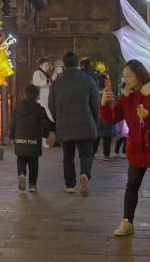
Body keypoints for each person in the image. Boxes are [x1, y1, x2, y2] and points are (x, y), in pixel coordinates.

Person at [99, 59, 150, 236]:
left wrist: (149, 116)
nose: (126, 80)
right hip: (137, 149)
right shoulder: (127, 99)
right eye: (124, 76)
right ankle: (127, 221)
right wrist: (103, 103)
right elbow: (112, 118)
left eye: (129, 76)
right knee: (132, 185)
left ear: (139, 75)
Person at [48, 52, 101, 197]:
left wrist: (58, 118)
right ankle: (84, 174)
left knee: (68, 156)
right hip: (85, 122)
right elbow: (96, 103)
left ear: (64, 65)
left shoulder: (57, 83)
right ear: (78, 64)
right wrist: (94, 121)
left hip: (65, 125)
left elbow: (51, 104)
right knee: (86, 154)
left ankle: (70, 185)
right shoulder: (88, 80)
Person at [10, 84, 54, 192]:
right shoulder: (39, 109)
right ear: (37, 96)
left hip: (20, 139)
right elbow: (47, 124)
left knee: (21, 159)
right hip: (34, 140)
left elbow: (13, 123)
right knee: (33, 163)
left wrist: (12, 137)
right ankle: (32, 184)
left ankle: (21, 174)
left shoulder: (18, 107)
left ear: (25, 94)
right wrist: (51, 130)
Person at [93, 74, 115, 160]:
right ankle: (106, 155)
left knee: (96, 137)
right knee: (107, 138)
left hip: (97, 117)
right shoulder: (108, 91)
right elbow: (112, 104)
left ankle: (93, 153)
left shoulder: (94, 91)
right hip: (107, 117)